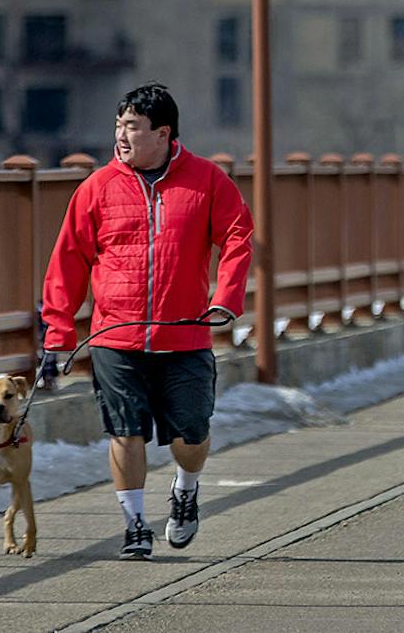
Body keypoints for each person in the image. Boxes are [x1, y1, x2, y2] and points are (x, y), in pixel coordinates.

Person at [39, 84, 253, 560]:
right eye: (118, 126)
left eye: (131, 127)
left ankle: (186, 487)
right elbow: (68, 261)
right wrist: (57, 334)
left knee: (191, 437)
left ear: (162, 132)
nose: (121, 135)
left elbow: (238, 235)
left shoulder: (207, 180)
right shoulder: (96, 187)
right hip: (115, 333)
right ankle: (135, 525)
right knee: (125, 431)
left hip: (185, 333)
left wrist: (227, 298)